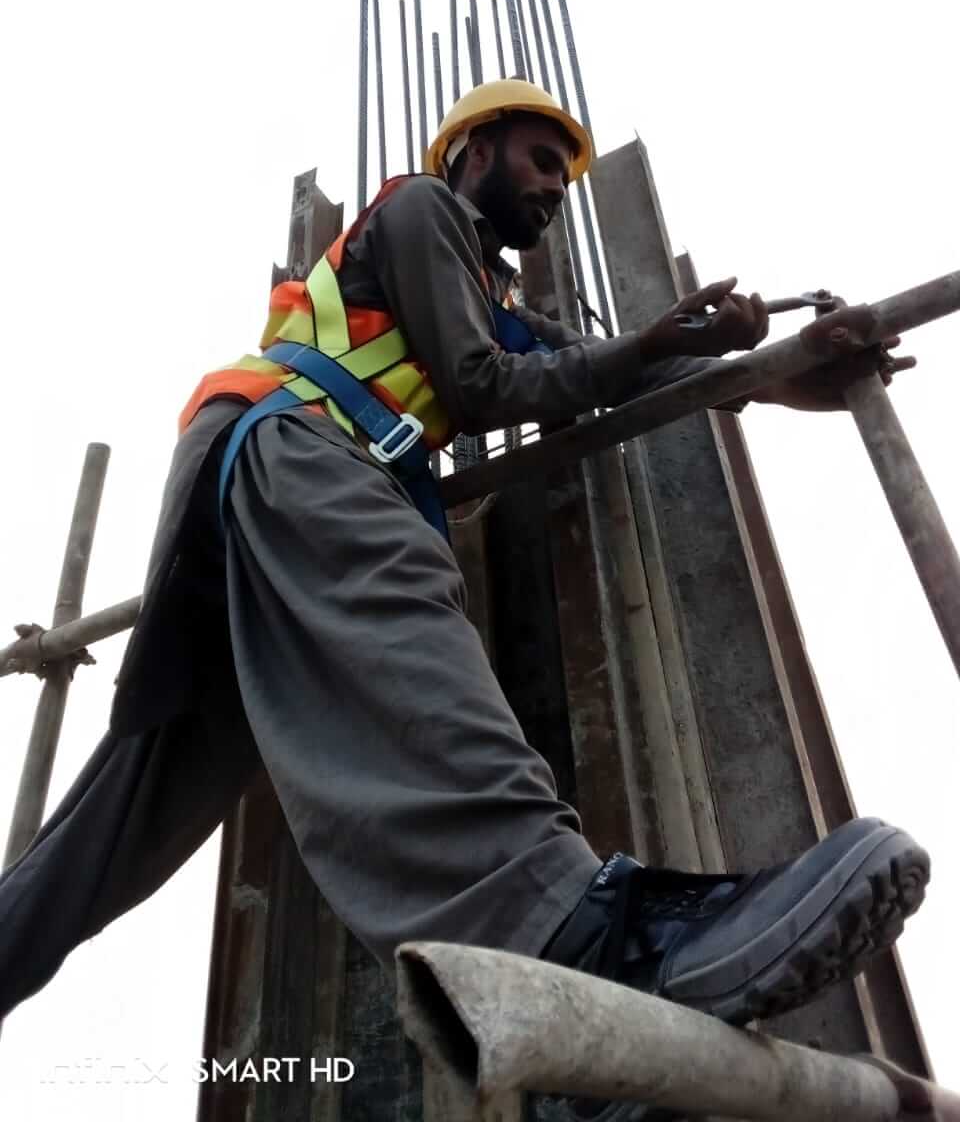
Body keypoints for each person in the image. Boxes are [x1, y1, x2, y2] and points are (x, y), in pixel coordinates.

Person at [0, 81, 928, 1108]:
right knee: (403, 622)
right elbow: (482, 385)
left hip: (256, 475)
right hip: (300, 445)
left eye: (565, 177)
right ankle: (584, 937)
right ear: (473, 152)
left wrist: (766, 367)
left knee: (127, 820)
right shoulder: (422, 209)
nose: (555, 189)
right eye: (540, 160)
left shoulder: (489, 293)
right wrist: (658, 343)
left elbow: (593, 373)